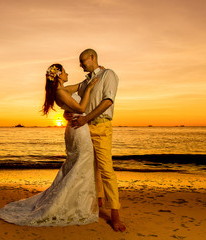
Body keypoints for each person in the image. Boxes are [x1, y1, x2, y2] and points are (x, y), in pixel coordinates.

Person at [0, 64, 99, 226]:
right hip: (78, 130)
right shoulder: (60, 92)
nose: (67, 74)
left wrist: (91, 77)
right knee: (80, 163)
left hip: (76, 127)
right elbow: (82, 108)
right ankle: (72, 203)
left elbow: (79, 86)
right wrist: (88, 90)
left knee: (78, 164)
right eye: (65, 72)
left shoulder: (63, 90)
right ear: (59, 75)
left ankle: (78, 199)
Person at [65, 49, 126, 232]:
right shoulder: (86, 82)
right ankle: (97, 199)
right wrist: (66, 108)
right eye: (80, 62)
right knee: (91, 167)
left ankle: (115, 214)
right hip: (84, 128)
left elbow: (108, 101)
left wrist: (86, 117)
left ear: (93, 58)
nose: (81, 64)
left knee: (106, 169)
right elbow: (68, 92)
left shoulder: (108, 74)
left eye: (83, 61)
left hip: (101, 127)